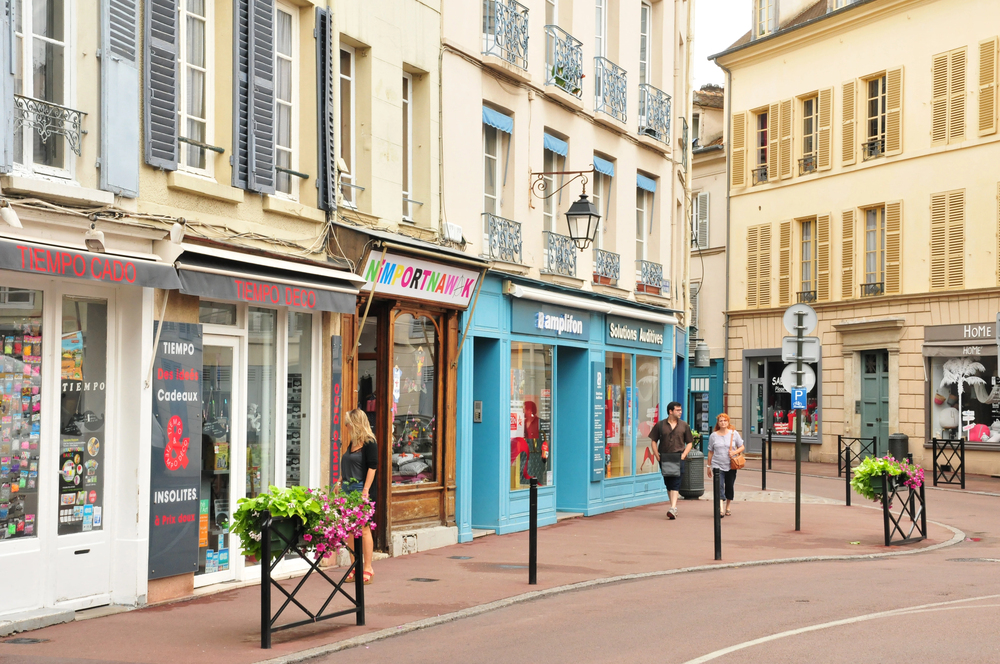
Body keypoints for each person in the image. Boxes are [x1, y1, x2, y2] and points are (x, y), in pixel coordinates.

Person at [341, 408, 378, 584]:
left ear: (355, 423)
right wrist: (339, 480)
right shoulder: (352, 442)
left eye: (348, 421)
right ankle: (354, 566)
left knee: (363, 529)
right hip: (347, 489)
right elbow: (349, 463)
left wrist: (365, 491)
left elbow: (372, 467)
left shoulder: (369, 442)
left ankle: (368, 567)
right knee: (349, 529)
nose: (345, 425)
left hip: (359, 488)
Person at [649, 402, 694, 519]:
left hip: (678, 457)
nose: (680, 412)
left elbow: (690, 442)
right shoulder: (660, 425)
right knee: (668, 483)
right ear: (670, 411)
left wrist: (684, 455)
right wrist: (657, 456)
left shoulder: (684, 425)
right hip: (664, 457)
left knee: (676, 482)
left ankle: (673, 508)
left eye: (681, 410)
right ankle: (673, 507)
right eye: (678, 410)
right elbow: (653, 440)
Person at [706, 413, 745, 518]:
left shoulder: (734, 433)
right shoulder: (713, 436)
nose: (723, 423)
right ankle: (720, 508)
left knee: (729, 485)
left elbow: (742, 447)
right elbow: (710, 451)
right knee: (719, 486)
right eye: (721, 421)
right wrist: (708, 466)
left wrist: (734, 452)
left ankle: (728, 506)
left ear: (728, 422)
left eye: (725, 421)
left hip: (731, 464)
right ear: (718, 423)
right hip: (717, 464)